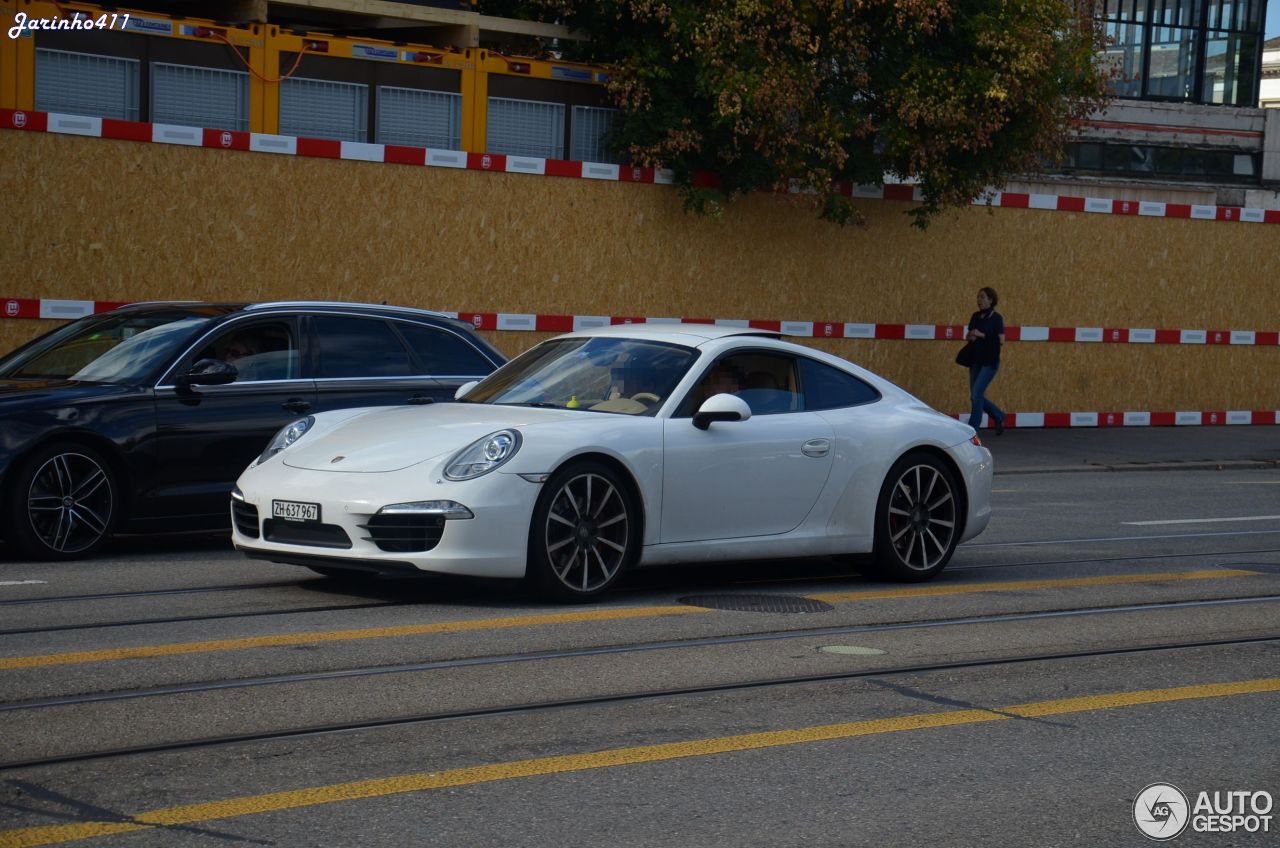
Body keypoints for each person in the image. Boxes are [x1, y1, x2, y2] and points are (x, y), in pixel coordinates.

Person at [965, 286, 1006, 435]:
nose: (979, 300)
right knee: (975, 395)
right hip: (975, 359)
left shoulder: (997, 318)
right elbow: (968, 336)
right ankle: (999, 415)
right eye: (978, 297)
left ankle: (972, 429)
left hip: (990, 362)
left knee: (976, 393)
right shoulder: (975, 316)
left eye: (982, 297)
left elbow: (1001, 340)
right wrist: (972, 335)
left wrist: (981, 334)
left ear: (991, 300)